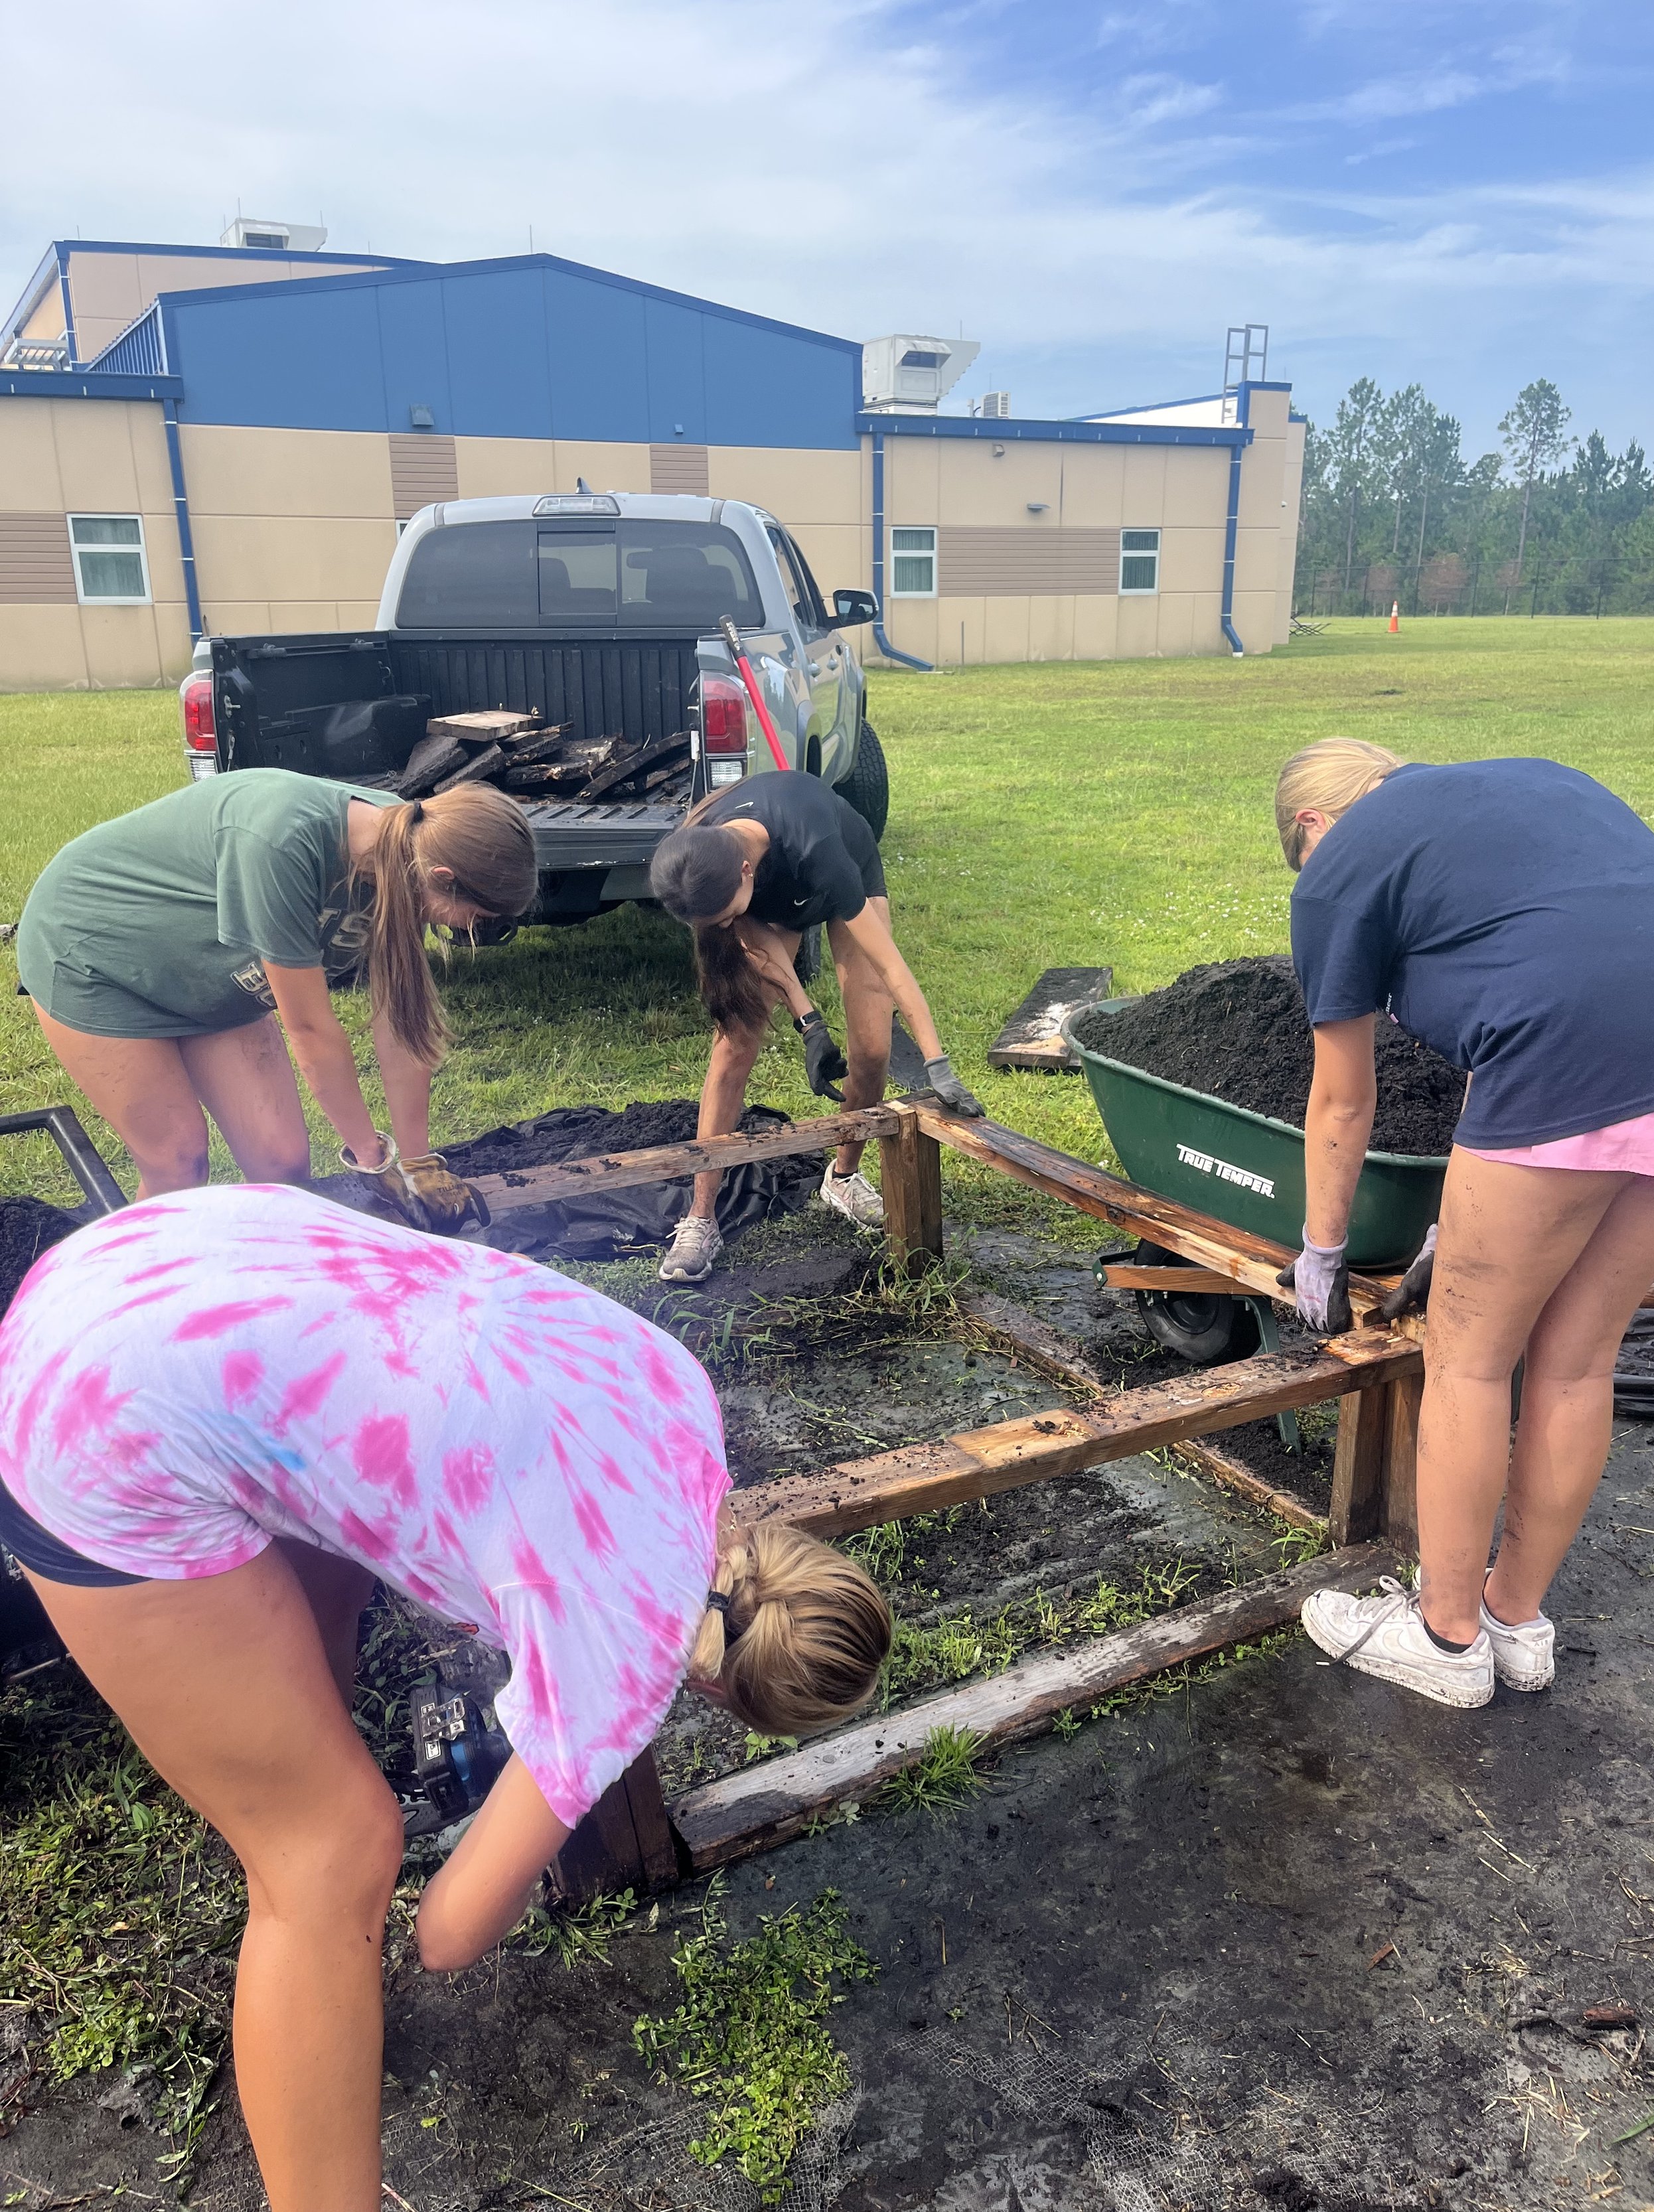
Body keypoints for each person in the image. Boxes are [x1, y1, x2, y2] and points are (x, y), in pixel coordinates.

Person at [0, 1182, 891, 2212]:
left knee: (336, 1572)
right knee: (332, 1854)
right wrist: (539, 1803)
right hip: (90, 1412)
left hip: (175, 1264)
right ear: (732, 1700)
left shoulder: (684, 1397)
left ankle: (313, 1969)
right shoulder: (624, 1673)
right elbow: (448, 1933)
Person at [1272, 737, 1654, 1708]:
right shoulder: (1535, 781)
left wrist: (1321, 1248)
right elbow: (1545, 957)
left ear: (1314, 824)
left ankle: (1444, 1638)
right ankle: (1514, 1622)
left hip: (1563, 1051)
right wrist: (1459, 1221)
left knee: (1472, 1360)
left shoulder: (1338, 866)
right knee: (1579, 1363)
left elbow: (1343, 1099)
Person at [16, 768, 538, 1232]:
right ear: (444, 879)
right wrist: (373, 1160)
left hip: (206, 973)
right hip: (97, 956)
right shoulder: (285, 843)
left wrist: (418, 1165)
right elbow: (311, 1032)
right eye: (482, 920)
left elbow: (402, 1026)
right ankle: (134, 1290)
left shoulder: (410, 854)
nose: (476, 931)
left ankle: (261, 1286)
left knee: (281, 1164)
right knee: (177, 1160)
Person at [647, 771, 984, 1283]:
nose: (722, 928)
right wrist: (810, 1024)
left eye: (724, 918)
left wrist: (938, 1064)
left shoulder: (819, 850)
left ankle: (843, 1177)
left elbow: (892, 966)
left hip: (844, 869)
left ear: (745, 872)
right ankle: (700, 1216)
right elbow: (752, 934)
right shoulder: (700, 855)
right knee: (734, 1046)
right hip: (767, 897)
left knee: (872, 1048)